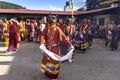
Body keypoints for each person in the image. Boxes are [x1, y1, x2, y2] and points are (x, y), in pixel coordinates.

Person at [39, 15, 74, 80]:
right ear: (48, 21)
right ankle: (47, 73)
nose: (52, 22)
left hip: (55, 49)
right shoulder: (46, 28)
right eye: (50, 20)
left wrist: (69, 45)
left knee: (54, 62)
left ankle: (54, 76)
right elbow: (42, 36)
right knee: (47, 61)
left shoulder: (58, 29)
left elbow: (64, 38)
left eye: (53, 20)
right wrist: (42, 43)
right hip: (47, 49)